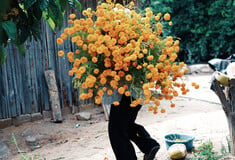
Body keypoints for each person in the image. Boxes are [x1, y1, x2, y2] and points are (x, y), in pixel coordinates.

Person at [108, 95, 160, 160]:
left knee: (116, 130)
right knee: (125, 124)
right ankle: (148, 145)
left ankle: (148, 146)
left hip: (125, 90)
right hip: (136, 91)